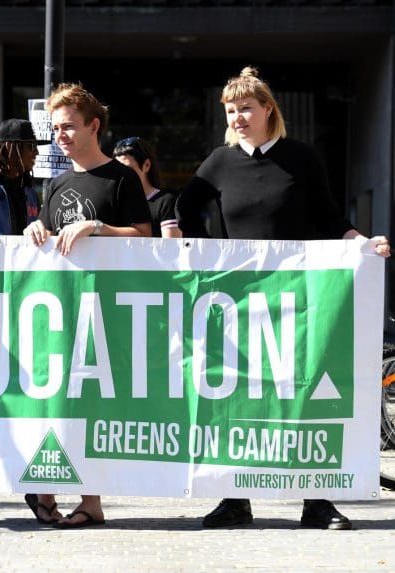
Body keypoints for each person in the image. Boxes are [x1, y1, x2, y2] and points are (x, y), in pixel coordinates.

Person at [176, 66, 390, 530]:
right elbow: (183, 210)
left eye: (246, 109)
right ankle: (235, 499)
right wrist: (205, 251)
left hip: (297, 300)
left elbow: (330, 218)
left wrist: (363, 242)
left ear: (268, 109)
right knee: (234, 394)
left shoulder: (301, 158)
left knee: (303, 394)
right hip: (235, 302)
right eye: (231, 111)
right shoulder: (218, 162)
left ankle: (317, 502)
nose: (237, 117)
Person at [23, 83, 151, 528]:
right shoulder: (56, 182)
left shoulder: (122, 178)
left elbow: (145, 237)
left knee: (89, 406)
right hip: (57, 312)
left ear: (94, 126)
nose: (61, 135)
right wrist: (32, 232)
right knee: (53, 401)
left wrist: (98, 227)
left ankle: (90, 499)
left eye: (69, 126)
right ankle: (46, 490)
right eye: (55, 128)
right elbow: (43, 228)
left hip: (105, 310)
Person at [112, 137, 181, 238]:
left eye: (127, 169)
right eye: (117, 170)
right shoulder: (115, 202)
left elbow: (172, 249)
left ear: (147, 165)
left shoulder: (165, 202)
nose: (121, 175)